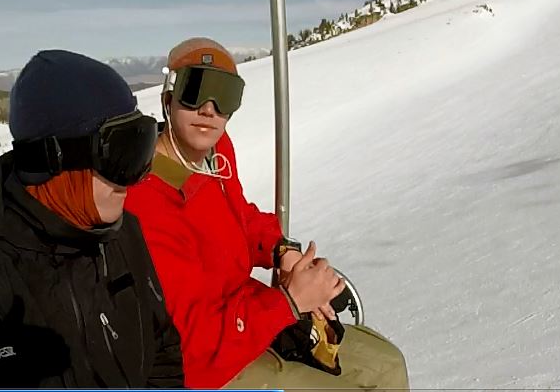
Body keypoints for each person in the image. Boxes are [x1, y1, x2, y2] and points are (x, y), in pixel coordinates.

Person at [124, 37, 410, 390]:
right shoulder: (144, 199)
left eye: (225, 96)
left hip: (251, 319)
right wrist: (289, 303)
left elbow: (240, 217)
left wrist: (280, 250)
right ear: (168, 98)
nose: (209, 109)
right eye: (195, 90)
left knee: (387, 364)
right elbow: (196, 346)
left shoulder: (216, 155)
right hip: (211, 369)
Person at [0, 49, 184, 388]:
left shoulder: (123, 231)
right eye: (121, 154)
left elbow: (162, 348)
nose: (133, 178)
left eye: (141, 147)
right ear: (54, 160)